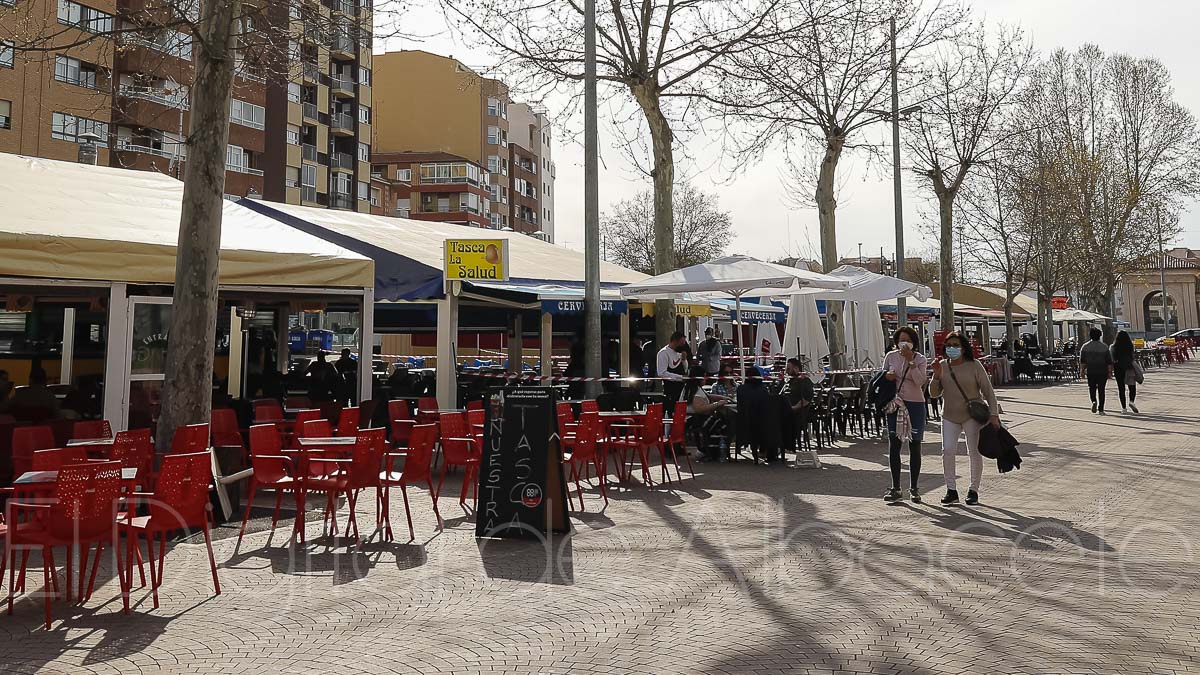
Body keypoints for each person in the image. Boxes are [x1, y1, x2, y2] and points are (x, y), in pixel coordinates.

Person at [929, 331, 1000, 506]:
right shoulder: (942, 366)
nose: (952, 348)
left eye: (956, 345)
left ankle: (973, 489)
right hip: (949, 415)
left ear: (963, 347)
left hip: (972, 415)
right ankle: (951, 489)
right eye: (949, 345)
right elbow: (933, 393)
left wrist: (994, 415)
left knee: (974, 452)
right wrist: (936, 375)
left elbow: (988, 391)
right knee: (948, 451)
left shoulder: (974, 365)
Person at [881, 326, 929, 503]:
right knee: (894, 444)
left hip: (915, 404)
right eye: (901, 339)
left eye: (908, 340)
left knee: (914, 444)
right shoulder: (890, 357)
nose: (904, 343)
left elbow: (920, 382)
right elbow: (881, 375)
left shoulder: (920, 359)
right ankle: (895, 487)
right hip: (894, 404)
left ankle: (914, 488)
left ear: (914, 342)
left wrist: (911, 362)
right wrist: (887, 376)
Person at [684, 366, 731, 462]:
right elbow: (699, 409)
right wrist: (717, 404)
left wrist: (722, 397)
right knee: (722, 424)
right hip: (694, 419)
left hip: (695, 418)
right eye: (704, 376)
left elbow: (707, 396)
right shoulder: (695, 390)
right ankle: (711, 451)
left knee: (719, 421)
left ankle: (711, 450)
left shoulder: (692, 388)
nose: (705, 378)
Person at [780, 357, 814, 458]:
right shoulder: (788, 381)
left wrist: (794, 408)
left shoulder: (805, 381)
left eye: (789, 369)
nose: (787, 371)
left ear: (796, 369)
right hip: (785, 409)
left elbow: (806, 399)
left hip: (798, 412)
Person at [1079, 327, 1113, 414]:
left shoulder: (1085, 347)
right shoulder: (1104, 347)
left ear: (1090, 336)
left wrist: (1082, 371)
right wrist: (1110, 373)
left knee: (1092, 388)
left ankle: (1093, 400)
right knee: (1102, 390)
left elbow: (1083, 361)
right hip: (1102, 371)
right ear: (1099, 336)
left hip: (1091, 370)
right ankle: (1101, 409)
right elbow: (1109, 361)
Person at [657, 331, 689, 406]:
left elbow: (685, 369)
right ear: (675, 341)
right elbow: (662, 373)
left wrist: (684, 360)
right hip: (670, 389)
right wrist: (680, 377)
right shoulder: (663, 353)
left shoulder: (679, 352)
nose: (683, 345)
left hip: (681, 388)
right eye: (682, 342)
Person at [1111, 330, 1139, 414]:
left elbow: (1112, 358)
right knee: (1132, 386)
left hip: (1118, 367)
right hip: (1129, 367)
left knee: (1121, 388)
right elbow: (1132, 356)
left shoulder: (1113, 347)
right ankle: (1131, 401)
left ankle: (1124, 408)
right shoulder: (1130, 345)